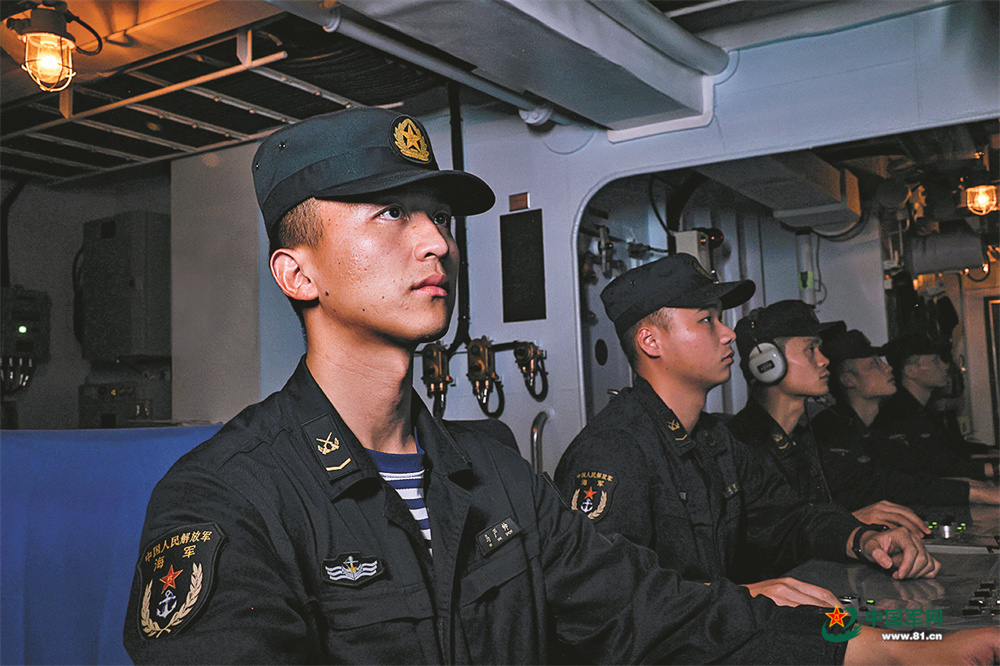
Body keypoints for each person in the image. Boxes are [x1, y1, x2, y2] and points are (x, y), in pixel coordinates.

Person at [123, 108, 997, 665]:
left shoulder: (491, 472)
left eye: (436, 216)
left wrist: (885, 648)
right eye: (391, 212)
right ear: (297, 273)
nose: (437, 242)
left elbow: (652, 610)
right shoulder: (226, 498)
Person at [555, 258, 938, 613]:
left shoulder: (716, 440)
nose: (726, 334)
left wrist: (861, 539)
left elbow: (789, 520)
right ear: (651, 342)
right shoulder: (612, 451)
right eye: (706, 320)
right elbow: (606, 599)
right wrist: (741, 595)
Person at [811, 328, 998, 509]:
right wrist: (974, 492)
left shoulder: (869, 430)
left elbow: (918, 467)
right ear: (848, 380)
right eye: (874, 364)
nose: (888, 368)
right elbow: (885, 486)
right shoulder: (831, 430)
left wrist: (970, 486)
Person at [874, 333, 997, 481]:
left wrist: (991, 451)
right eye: (935, 361)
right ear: (911, 371)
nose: (945, 366)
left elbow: (954, 449)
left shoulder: (924, 411)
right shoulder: (897, 417)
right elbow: (933, 467)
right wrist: (991, 469)